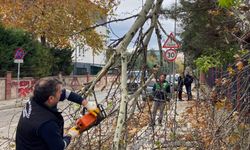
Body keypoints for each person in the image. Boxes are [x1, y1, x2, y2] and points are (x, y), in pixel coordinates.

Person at [16, 77, 99, 150]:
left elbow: (66, 93)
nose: (61, 93)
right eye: (59, 92)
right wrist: (71, 134)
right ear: (51, 98)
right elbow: (59, 147)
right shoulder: (47, 123)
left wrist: (86, 103)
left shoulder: (36, 99)